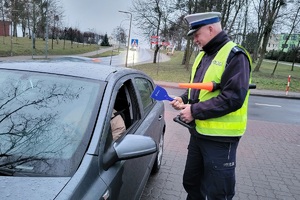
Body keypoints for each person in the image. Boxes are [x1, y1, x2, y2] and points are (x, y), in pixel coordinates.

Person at [170, 12, 252, 200]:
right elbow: (197, 91)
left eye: (197, 34)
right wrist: (184, 100)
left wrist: (195, 111)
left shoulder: (235, 55)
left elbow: (233, 98)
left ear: (210, 28)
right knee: (191, 183)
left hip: (221, 141)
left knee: (217, 193)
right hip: (198, 134)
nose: (195, 40)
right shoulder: (203, 56)